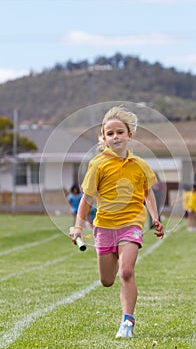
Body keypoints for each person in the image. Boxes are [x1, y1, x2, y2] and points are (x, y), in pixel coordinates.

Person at [69, 106, 164, 339]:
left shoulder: (140, 164)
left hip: (131, 224)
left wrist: (155, 217)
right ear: (103, 138)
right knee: (107, 280)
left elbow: (147, 192)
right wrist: (79, 226)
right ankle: (122, 310)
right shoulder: (98, 164)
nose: (115, 137)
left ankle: (127, 322)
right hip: (104, 227)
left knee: (127, 272)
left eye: (120, 132)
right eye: (109, 133)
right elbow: (87, 199)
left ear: (129, 135)